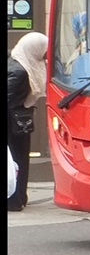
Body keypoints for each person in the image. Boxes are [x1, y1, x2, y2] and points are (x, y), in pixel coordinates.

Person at [8, 31, 47, 211]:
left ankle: (18, 198)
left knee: (16, 162)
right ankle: (15, 200)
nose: (45, 56)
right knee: (17, 162)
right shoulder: (21, 71)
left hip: (16, 124)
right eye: (44, 51)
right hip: (14, 126)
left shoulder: (17, 59)